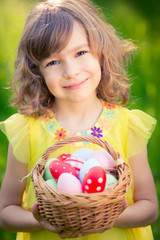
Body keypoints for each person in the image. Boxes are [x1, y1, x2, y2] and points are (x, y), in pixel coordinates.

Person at [0, 0, 158, 239]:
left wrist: (101, 217)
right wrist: (43, 222)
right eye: (53, 62)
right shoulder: (27, 130)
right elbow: (6, 211)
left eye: (80, 52)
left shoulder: (128, 126)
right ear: (37, 71)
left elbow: (149, 207)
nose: (71, 71)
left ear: (100, 52)